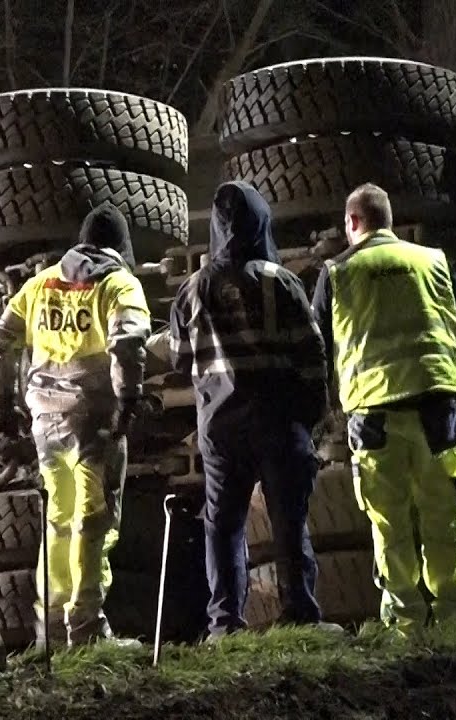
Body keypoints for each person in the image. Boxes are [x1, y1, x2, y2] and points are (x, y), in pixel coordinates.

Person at [310, 183, 456, 636]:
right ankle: (455, 622)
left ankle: (406, 625)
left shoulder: (337, 272)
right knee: (445, 517)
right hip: (438, 410)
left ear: (353, 223)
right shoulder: (434, 262)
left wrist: (319, 414)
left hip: (374, 417)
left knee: (389, 524)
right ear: (387, 220)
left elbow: (316, 354)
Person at [168, 181, 338, 641]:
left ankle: (225, 624)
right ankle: (299, 614)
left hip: (220, 428)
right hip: (278, 423)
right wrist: (314, 413)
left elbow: (180, 358)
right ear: (262, 222)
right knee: (287, 522)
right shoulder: (279, 281)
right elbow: (312, 352)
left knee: (222, 527)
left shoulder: (192, 289)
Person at [0, 203, 151, 648]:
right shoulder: (119, 284)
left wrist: (2, 406)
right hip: (95, 424)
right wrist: (129, 399)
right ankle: (87, 627)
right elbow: (130, 342)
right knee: (94, 521)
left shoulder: (39, 285)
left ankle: (51, 630)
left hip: (45, 423)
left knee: (57, 518)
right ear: (120, 245)